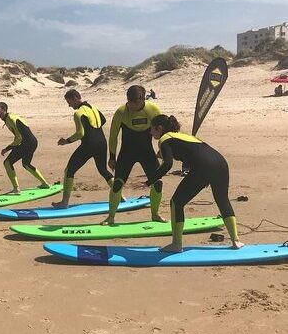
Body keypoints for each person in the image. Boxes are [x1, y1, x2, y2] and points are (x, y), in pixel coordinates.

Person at [137, 114, 243, 252]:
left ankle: (176, 244)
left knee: (176, 202)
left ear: (160, 128)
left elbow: (167, 164)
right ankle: (236, 241)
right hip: (220, 162)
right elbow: (195, 154)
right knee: (222, 200)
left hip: (203, 166)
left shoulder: (165, 138)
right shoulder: (184, 136)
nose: (150, 132)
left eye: (152, 129)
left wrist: (149, 181)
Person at [103, 85, 166, 225]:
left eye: (135, 102)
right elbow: (113, 136)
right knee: (118, 184)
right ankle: (111, 216)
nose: (131, 105)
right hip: (127, 153)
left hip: (147, 152)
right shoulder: (121, 112)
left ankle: (155, 215)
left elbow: (163, 131)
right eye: (129, 102)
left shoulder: (152, 110)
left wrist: (162, 150)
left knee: (158, 183)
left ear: (143, 99)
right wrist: (112, 157)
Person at [52, 90, 116, 208]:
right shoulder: (93, 108)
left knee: (69, 171)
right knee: (103, 170)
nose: (69, 105)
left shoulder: (79, 113)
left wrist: (66, 141)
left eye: (69, 102)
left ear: (76, 98)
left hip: (89, 145)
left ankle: (64, 202)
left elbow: (80, 134)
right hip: (102, 142)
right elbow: (103, 120)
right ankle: (119, 195)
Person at [0, 102, 50, 194]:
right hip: (31, 142)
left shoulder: (10, 119)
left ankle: (16, 189)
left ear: (4, 110)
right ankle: (45, 184)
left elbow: (19, 138)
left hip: (27, 143)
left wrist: (7, 149)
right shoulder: (9, 117)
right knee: (26, 164)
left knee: (7, 163)